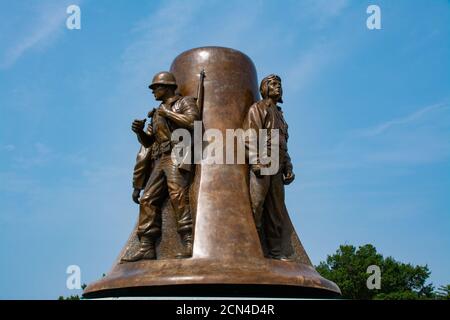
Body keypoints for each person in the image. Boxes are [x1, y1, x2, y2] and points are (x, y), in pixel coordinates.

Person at [122, 71, 199, 262]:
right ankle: (147, 246)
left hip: (176, 154)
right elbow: (149, 142)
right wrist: (140, 132)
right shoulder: (157, 112)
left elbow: (193, 122)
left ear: (168, 87)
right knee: (147, 199)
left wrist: (168, 113)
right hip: (160, 157)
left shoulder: (184, 103)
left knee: (178, 196)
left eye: (156, 87)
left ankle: (188, 241)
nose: (153, 92)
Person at [243, 74, 295, 261]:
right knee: (256, 207)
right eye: (273, 84)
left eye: (279, 84)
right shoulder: (258, 109)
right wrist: (255, 160)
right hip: (263, 162)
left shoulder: (280, 115)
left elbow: (283, 143)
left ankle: (274, 251)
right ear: (264, 88)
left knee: (276, 210)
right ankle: (253, 248)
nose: (278, 87)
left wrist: (287, 165)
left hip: (278, 164)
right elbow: (250, 135)